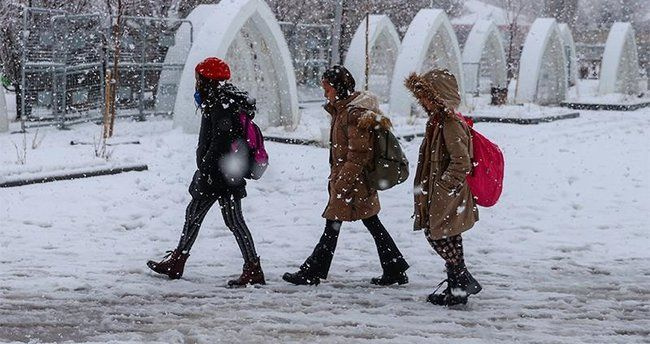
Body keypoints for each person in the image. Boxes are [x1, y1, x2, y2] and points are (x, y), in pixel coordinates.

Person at [283, 65, 409, 286]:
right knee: (369, 223)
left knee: (333, 225)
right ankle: (394, 267)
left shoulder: (352, 114)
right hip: (352, 182)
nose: (325, 94)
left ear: (339, 88)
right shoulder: (343, 111)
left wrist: (342, 183)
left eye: (328, 89)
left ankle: (312, 271)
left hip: (353, 184)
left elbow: (359, 154)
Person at [147, 57, 265, 288]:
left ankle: (252, 268)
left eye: (199, 78)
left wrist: (207, 167)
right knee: (198, 215)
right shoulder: (222, 100)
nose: (196, 82)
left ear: (207, 79)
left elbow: (220, 141)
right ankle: (178, 260)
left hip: (221, 175)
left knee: (231, 220)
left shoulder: (221, 104)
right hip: (224, 173)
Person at [405, 69, 482, 306]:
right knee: (450, 236)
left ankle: (461, 280)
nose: (423, 102)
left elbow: (462, 162)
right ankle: (457, 288)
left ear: (438, 96)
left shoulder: (450, 123)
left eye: (426, 96)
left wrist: (442, 186)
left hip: (448, 194)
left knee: (436, 234)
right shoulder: (438, 120)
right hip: (444, 192)